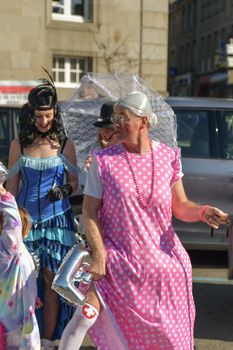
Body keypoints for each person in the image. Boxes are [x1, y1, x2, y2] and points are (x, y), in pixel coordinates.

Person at [58, 91, 229, 350]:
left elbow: (181, 206)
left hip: (165, 267)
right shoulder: (103, 162)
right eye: (114, 117)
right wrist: (99, 252)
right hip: (119, 263)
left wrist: (203, 211)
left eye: (122, 117)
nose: (115, 123)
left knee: (171, 341)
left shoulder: (168, 157)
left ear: (143, 121)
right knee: (86, 317)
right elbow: (90, 211)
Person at [6, 77, 78, 349]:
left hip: (57, 221)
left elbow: (76, 182)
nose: (44, 121)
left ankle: (48, 341)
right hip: (26, 224)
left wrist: (64, 190)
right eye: (39, 116)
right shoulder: (18, 145)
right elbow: (11, 189)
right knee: (23, 284)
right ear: (31, 114)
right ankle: (25, 339)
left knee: (50, 283)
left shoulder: (64, 143)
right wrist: (9, 223)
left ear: (55, 113)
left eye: (48, 116)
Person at [0, 184, 41, 349]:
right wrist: (5, 197)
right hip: (14, 323)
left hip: (16, 315)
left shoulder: (18, 251)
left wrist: (32, 295)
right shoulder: (9, 248)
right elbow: (13, 222)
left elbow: (22, 275)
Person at [84, 101, 118, 170]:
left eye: (110, 128)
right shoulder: (96, 149)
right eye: (102, 127)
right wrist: (90, 169)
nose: (105, 132)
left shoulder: (125, 151)